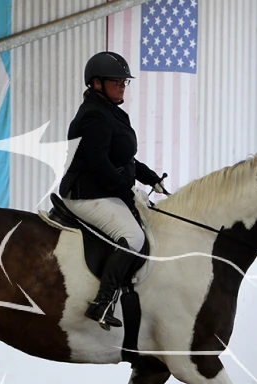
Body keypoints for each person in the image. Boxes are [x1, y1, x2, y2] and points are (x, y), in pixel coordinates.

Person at [58, 51, 167, 331]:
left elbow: (122, 157)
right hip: (85, 193)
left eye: (124, 82)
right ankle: (103, 302)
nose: (122, 86)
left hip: (104, 190)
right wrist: (127, 191)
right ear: (97, 83)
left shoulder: (111, 112)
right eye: (116, 81)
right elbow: (98, 163)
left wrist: (149, 177)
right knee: (133, 237)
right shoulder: (94, 115)